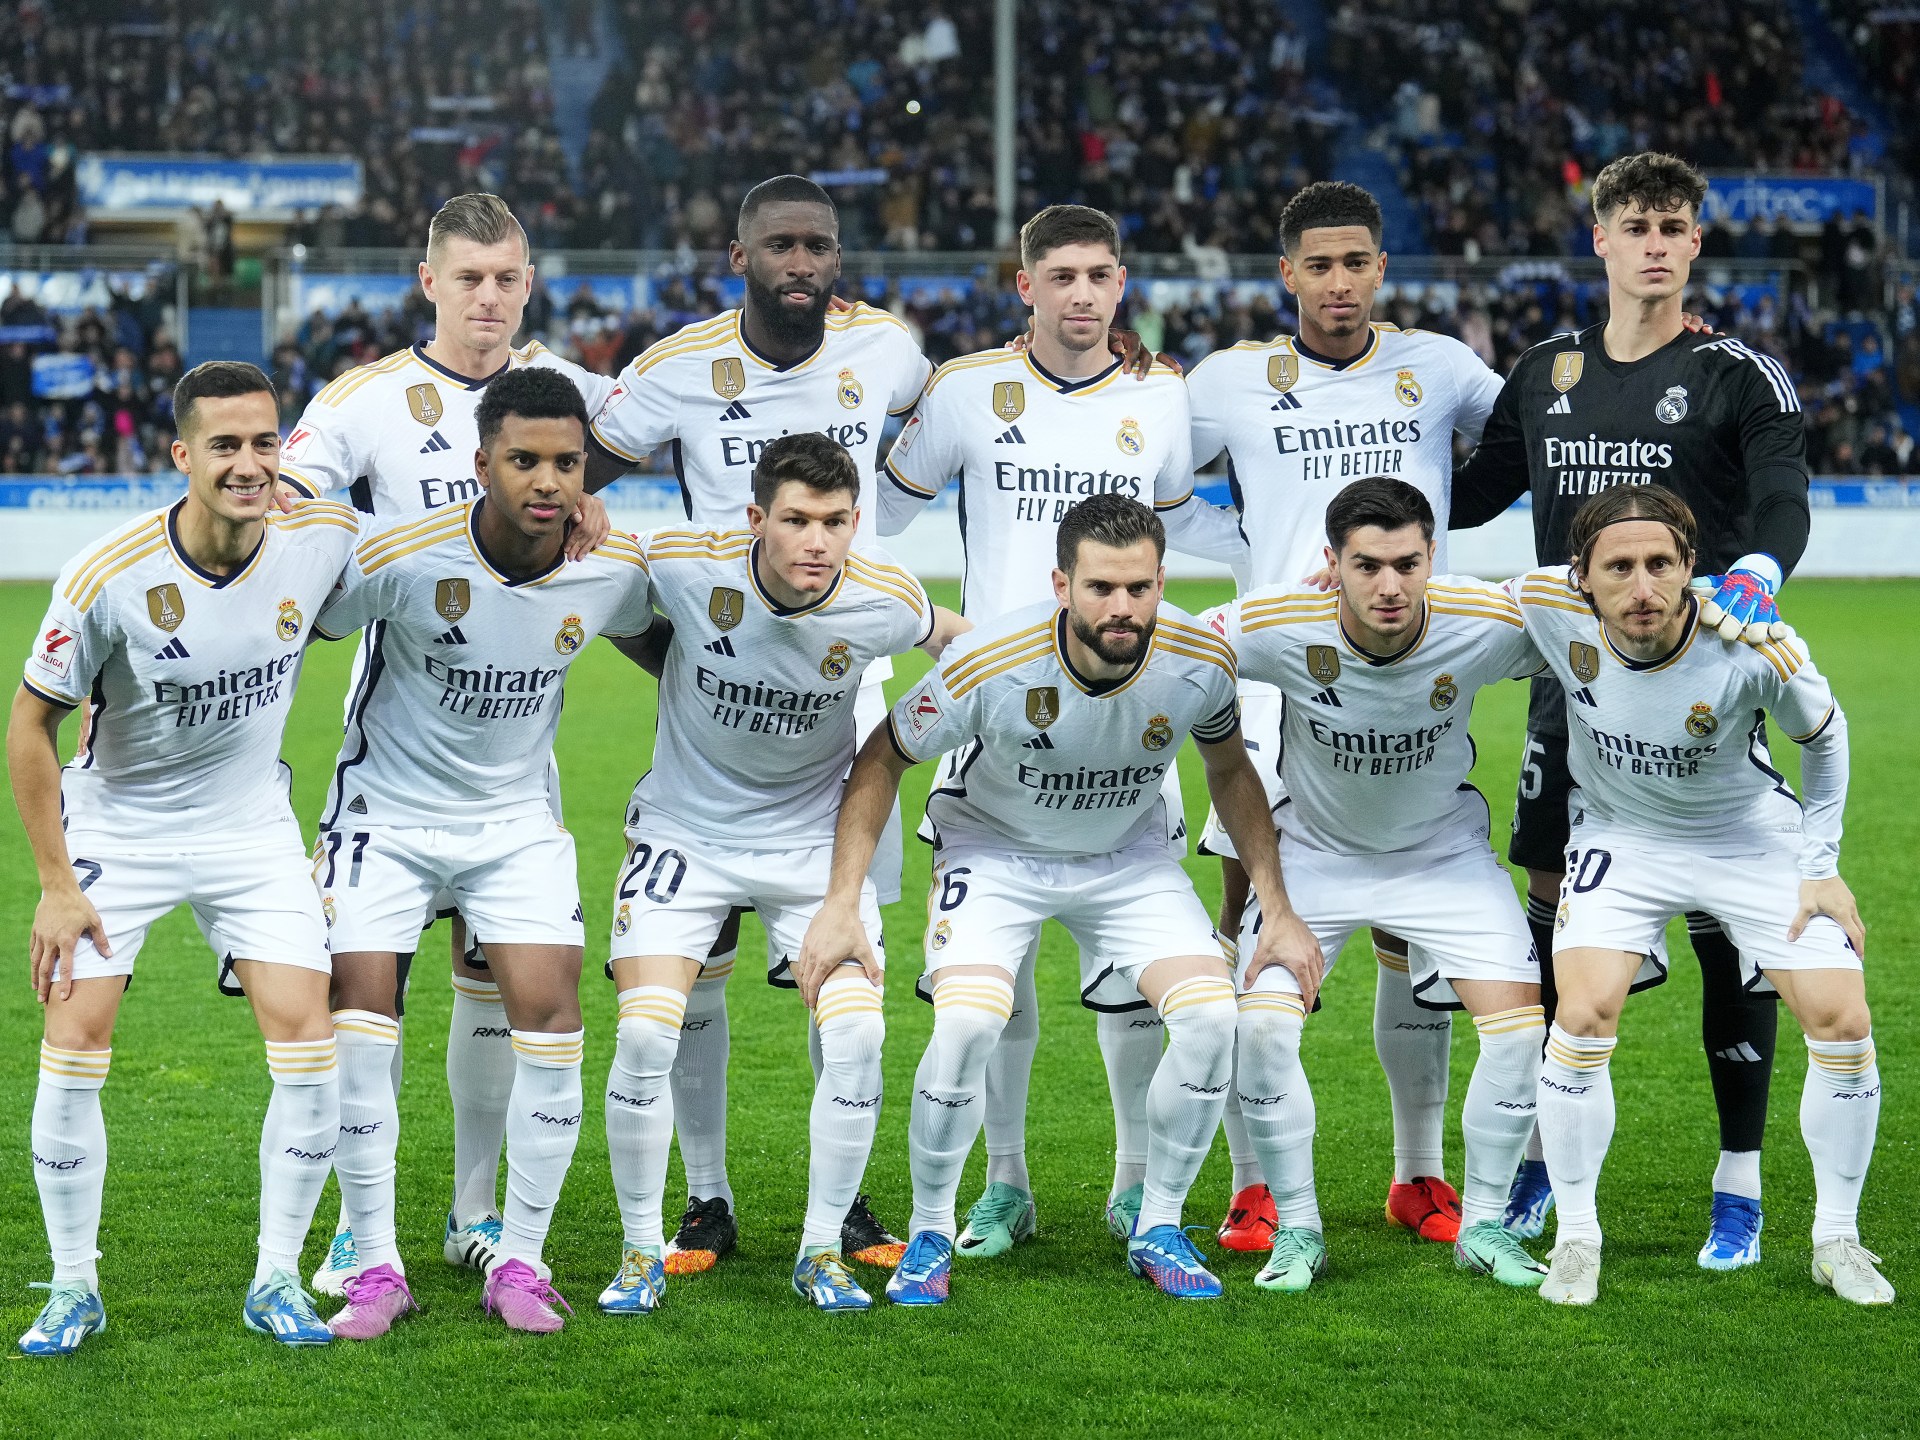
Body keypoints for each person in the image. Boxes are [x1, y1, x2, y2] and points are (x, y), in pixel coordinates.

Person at [584, 175, 1160, 1275]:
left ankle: (843, 1208)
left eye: (817, 246)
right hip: (717, 693)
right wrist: (678, 651)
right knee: (695, 973)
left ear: (838, 258)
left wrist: (1096, 347)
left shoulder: (889, 351)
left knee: (840, 961)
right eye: (779, 246)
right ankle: (704, 1199)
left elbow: (985, 397)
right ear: (741, 257)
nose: (799, 262)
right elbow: (585, 481)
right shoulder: (678, 368)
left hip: (846, 692)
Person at [799, 494, 1321, 1304]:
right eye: (1101, 587)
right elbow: (883, 757)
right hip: (996, 853)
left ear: (1161, 583)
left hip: (1126, 859)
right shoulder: (991, 661)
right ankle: (931, 1231)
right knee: (969, 1023)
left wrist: (1277, 909)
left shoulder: (1199, 659)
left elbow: (1229, 770)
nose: (1123, 607)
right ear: (1061, 585)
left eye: (1140, 588)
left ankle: (1158, 1224)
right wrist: (841, 901)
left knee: (1212, 1019)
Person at [1451, 151, 1812, 1263]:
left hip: (1701, 690)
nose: (1655, 245)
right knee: (1553, 907)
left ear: (1695, 243)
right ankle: (1541, 1160)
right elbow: (1471, 492)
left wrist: (1762, 572)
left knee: (1725, 927)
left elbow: (1783, 496)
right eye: (1635, 226)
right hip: (1571, 692)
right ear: (1599, 239)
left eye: (1673, 227)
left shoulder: (1738, 375)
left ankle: (1739, 1182)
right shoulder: (1545, 371)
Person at [878, 202, 1246, 1255]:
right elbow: (880, 513)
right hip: (992, 715)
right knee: (995, 985)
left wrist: (1282, 544)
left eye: (1099, 276)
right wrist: (925, 621)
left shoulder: (1160, 394)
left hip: (1126, 716)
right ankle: (1005, 1185)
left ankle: (1134, 1185)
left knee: (1133, 984)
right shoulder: (966, 391)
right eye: (1062, 276)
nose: (1082, 294)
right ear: (1025, 286)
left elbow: (1174, 520)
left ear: (1121, 285)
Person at [277, 192, 619, 1298]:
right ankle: (356, 1227)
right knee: (369, 998)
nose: (489, 297)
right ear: (428, 282)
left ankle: (478, 1213)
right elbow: (287, 520)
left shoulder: (571, 394)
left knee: (497, 985)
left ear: (530, 283)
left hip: (517, 757)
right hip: (395, 748)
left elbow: (697, 440)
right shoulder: (363, 402)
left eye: (508, 278)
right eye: (469, 277)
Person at [1184, 180, 1508, 1252]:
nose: (1338, 282)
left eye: (1355, 262)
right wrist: (1249, 555)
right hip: (1276, 677)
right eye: (1317, 265)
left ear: (1381, 268)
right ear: (1287, 273)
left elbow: (1526, 441)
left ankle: (1419, 1174)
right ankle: (1253, 1184)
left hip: (1406, 672)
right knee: (1251, 915)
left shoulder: (1439, 367)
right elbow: (1149, 480)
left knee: (1407, 926)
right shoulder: (1230, 380)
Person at [10, 362, 357, 1354]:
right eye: (225, 446)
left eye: (265, 443)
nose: (249, 465)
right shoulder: (109, 575)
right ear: (181, 455)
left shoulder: (321, 537)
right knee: (75, 1041)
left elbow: (436, 540)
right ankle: (72, 1287)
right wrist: (55, 885)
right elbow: (30, 726)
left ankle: (276, 1278)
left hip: (251, 829)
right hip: (119, 827)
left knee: (310, 1044)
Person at [312, 369, 656, 1336]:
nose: (547, 482)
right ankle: (374, 1262)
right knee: (359, 1021)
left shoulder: (610, 568)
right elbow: (293, 629)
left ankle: (522, 1262)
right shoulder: (403, 556)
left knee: (553, 1022)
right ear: (481, 464)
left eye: (567, 463)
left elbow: (673, 646)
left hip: (514, 826)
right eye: (524, 461)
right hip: (383, 817)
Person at [594, 432, 966, 1317]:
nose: (816, 541)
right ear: (756, 518)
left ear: (856, 523)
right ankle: (642, 1252)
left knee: (859, 1037)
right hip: (685, 833)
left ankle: (819, 1250)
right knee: (645, 1036)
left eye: (835, 522)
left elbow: (965, 645)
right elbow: (600, 585)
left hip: (812, 847)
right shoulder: (685, 560)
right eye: (796, 520)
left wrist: (938, 724)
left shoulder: (883, 598)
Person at [1514, 484, 1888, 1308]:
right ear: (1580, 575)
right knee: (1580, 1014)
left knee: (1843, 1020)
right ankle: (1577, 1239)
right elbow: (1429, 605)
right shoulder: (1543, 605)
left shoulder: (1753, 641)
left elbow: (1826, 735)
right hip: (1622, 837)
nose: (1642, 587)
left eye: (1661, 564)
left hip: (1747, 837)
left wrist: (1820, 865)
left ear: (1691, 566)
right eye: (1619, 568)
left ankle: (1837, 1239)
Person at [1214, 477, 1546, 1292]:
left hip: (1441, 857)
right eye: (1366, 566)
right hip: (1314, 858)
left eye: (1407, 564)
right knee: (1262, 1033)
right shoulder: (1275, 621)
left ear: (1433, 556)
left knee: (1518, 1035)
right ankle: (1298, 1230)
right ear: (1331, 562)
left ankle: (1486, 1226)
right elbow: (1159, 646)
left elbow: (1600, 611)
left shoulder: (1484, 620)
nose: (1389, 586)